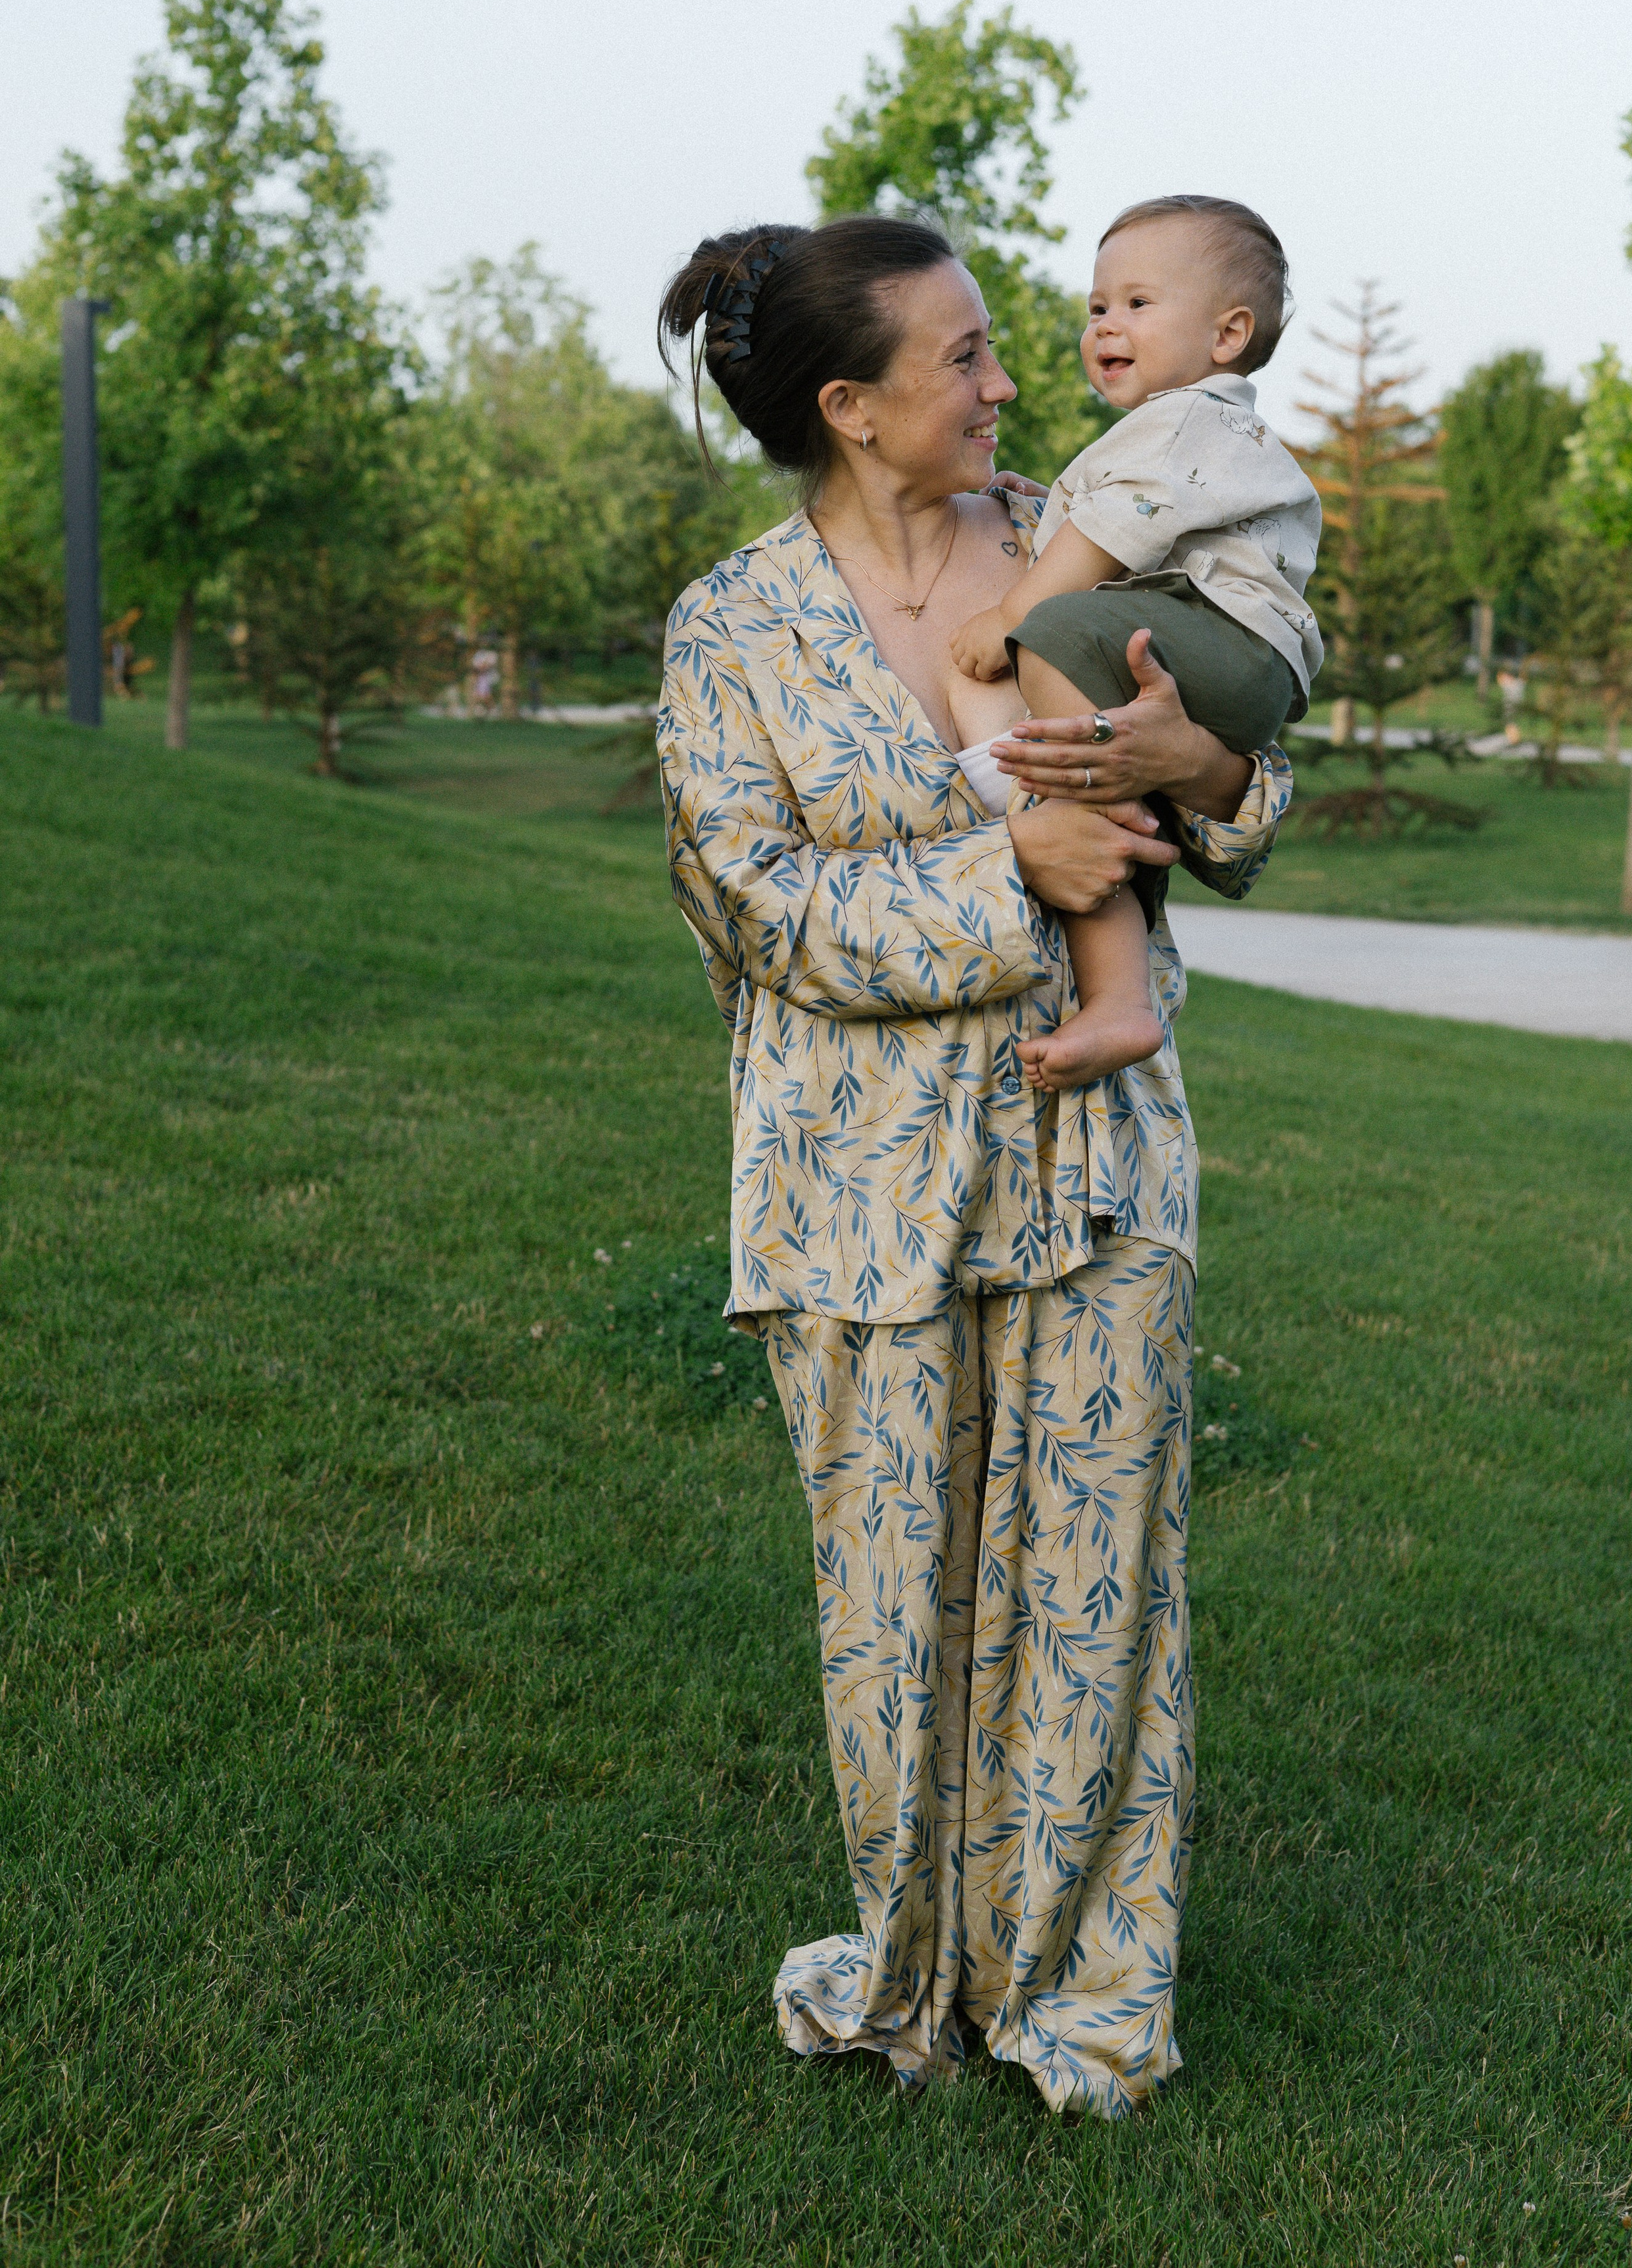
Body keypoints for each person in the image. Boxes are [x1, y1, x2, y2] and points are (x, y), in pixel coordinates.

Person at [655, 215, 1292, 2118]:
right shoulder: (733, 630)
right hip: (857, 1199)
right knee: (894, 1617)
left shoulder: (1098, 527)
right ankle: (914, 1973)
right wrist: (1005, 873)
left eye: (1005, 346)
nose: (1008, 382)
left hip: (1097, 1169)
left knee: (1098, 1603)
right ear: (852, 410)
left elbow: (1251, 787)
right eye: (961, 359)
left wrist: (1198, 765)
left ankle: (1082, 2006)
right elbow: (757, 909)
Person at [950, 195, 1322, 1090]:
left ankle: (1083, 848)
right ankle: (1088, 828)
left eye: (1138, 304)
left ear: (1228, 333)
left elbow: (1112, 538)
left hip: (1223, 648)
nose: (1106, 325)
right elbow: (1122, 515)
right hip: (1231, 657)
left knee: (1052, 634)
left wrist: (1008, 615)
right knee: (1068, 629)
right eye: (1098, 307)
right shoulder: (1189, 428)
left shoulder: (1186, 419)